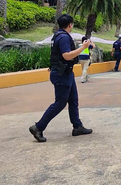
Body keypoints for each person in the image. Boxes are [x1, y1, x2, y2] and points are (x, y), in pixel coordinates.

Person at [29, 14, 93, 143]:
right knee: (60, 103)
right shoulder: (63, 37)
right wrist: (83, 47)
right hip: (61, 74)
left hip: (66, 73)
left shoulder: (58, 35)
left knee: (73, 100)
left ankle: (77, 126)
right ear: (70, 24)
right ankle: (38, 127)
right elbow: (67, 56)